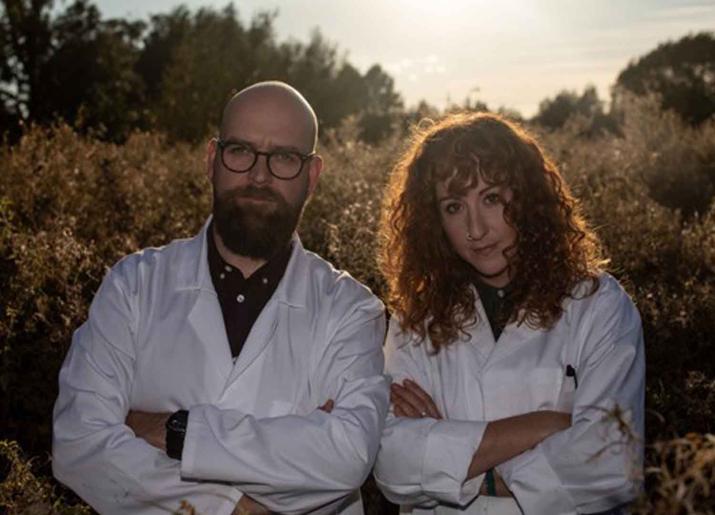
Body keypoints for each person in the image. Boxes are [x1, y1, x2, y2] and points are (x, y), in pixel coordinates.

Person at [52, 81, 389, 515]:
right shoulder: (133, 285)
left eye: (285, 157)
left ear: (312, 176)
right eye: (240, 151)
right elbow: (79, 440)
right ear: (212, 159)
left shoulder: (351, 309)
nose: (259, 175)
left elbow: (346, 458)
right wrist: (231, 507)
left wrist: (173, 431)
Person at [373, 112, 645, 514]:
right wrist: (544, 426)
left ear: (527, 196)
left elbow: (611, 461)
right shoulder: (418, 317)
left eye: (492, 198)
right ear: (433, 220)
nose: (476, 229)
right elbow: (392, 464)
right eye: (453, 207)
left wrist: (456, 465)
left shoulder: (598, 304)